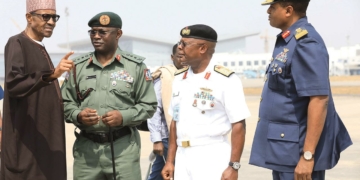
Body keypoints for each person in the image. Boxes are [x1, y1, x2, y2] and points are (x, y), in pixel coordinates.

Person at [249, 1, 353, 180]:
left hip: (297, 154)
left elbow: (319, 99)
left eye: (273, 7)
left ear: (288, 10)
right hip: (284, 150)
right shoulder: (287, 41)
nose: (268, 11)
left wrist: (308, 156)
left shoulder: (306, 42)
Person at [61, 11, 157, 180]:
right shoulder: (77, 67)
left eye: (102, 32)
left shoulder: (135, 66)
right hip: (87, 151)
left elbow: (148, 105)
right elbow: (64, 103)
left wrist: (123, 116)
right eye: (93, 32)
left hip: (123, 149)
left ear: (118, 34)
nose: (96, 36)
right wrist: (78, 115)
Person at [161, 24, 250, 180]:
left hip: (211, 155)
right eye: (180, 43)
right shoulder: (179, 78)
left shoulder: (225, 80)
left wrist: (233, 166)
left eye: (185, 44)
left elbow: (238, 125)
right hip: (182, 156)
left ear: (202, 48)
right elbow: (175, 122)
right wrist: (170, 161)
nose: (179, 48)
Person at [1, 0, 74, 179]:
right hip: (26, 148)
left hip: (46, 143)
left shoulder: (39, 47)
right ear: (29, 17)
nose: (51, 22)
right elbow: (14, 84)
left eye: (54, 17)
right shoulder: (17, 42)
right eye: (45, 16)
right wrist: (51, 75)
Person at [147, 44, 185, 180]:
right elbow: (154, 109)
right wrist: (157, 139)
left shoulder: (190, 75)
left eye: (186, 55)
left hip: (184, 135)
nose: (183, 59)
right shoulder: (165, 76)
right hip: (167, 136)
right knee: (167, 172)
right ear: (172, 57)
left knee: (161, 172)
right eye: (180, 56)